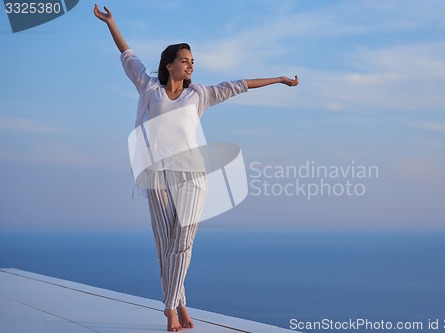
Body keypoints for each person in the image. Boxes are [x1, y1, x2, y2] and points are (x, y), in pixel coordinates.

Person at [94, 4, 299, 332]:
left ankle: (170, 310)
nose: (190, 65)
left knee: (184, 241)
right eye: (185, 60)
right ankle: (182, 304)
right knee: (165, 242)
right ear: (169, 64)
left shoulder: (200, 94)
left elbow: (239, 84)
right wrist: (111, 23)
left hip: (192, 177)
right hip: (156, 176)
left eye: (193, 61)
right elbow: (128, 54)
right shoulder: (149, 88)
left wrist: (279, 80)